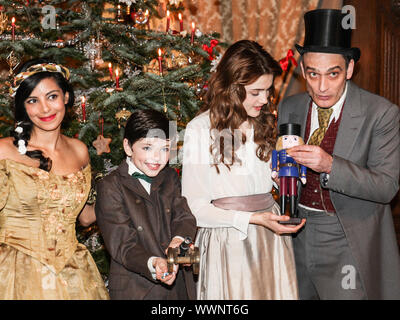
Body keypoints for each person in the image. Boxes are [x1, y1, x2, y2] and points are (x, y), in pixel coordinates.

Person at [278, 9, 400, 299]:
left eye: (332, 74)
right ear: (303, 70)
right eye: (312, 74)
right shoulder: (289, 107)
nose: (321, 87)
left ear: (349, 69)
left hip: (347, 240)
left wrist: (330, 165)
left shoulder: (381, 113)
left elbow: (386, 186)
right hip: (294, 236)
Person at [181, 40, 305, 300]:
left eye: (268, 91)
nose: (266, 99)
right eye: (256, 92)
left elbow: (267, 181)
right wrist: (251, 219)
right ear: (232, 88)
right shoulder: (200, 129)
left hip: (271, 239)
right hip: (228, 244)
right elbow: (195, 208)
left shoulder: (264, 124)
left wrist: (284, 176)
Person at [0, 58, 109, 299]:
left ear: (66, 97)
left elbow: (86, 217)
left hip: (73, 274)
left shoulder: (80, 151)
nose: (45, 109)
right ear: (23, 107)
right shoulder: (4, 151)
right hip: (16, 275)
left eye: (52, 96)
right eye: (33, 101)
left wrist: (123, 187)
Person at [95, 109, 197, 300]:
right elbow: (122, 244)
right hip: (137, 289)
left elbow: (183, 215)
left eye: (165, 148)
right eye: (147, 148)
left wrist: (178, 239)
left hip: (179, 289)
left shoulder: (169, 177)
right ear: (128, 147)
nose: (157, 158)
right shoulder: (111, 186)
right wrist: (152, 263)